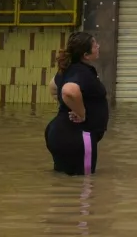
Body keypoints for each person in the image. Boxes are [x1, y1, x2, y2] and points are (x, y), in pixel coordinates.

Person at [45, 31, 109, 176]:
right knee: (85, 185)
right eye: (94, 45)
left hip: (58, 131)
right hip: (78, 135)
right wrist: (81, 113)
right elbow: (69, 91)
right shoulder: (82, 72)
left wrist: (66, 105)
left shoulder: (69, 68)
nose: (98, 46)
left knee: (64, 184)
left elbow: (53, 86)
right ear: (85, 55)